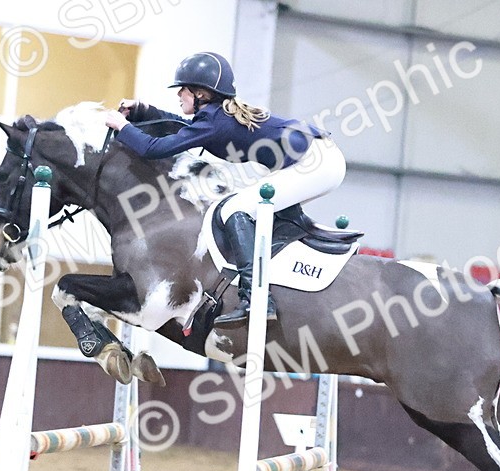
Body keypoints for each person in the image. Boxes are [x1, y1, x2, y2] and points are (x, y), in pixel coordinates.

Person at [104, 51, 346, 325]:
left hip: (316, 163)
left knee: (234, 208)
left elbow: (153, 149)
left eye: (183, 89)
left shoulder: (214, 121)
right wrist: (143, 111)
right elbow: (183, 127)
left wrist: (122, 126)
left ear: (201, 94)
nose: (179, 95)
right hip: (320, 158)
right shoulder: (214, 118)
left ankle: (256, 298)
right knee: (252, 208)